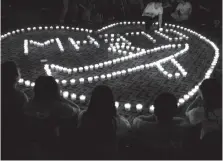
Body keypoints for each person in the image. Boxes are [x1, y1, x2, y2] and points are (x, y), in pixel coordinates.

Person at [23, 76, 80, 159]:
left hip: (34, 142)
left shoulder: (29, 105)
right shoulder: (58, 106)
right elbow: (77, 110)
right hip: (55, 141)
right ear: (55, 90)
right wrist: (62, 98)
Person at [77, 85, 131, 159]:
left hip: (86, 155)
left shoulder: (82, 116)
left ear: (92, 100)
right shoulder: (116, 123)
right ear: (111, 102)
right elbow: (127, 126)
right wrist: (115, 114)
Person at [132, 93, 189, 159]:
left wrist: (152, 117)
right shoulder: (180, 129)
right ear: (175, 111)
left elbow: (136, 120)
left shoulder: (144, 126)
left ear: (155, 111)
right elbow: (184, 122)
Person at [1, 61, 29, 159]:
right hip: (16, 138)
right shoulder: (20, 97)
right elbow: (26, 118)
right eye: (18, 71)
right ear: (16, 76)